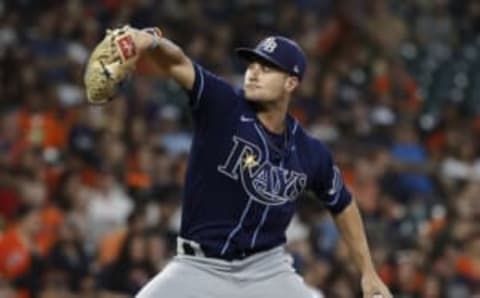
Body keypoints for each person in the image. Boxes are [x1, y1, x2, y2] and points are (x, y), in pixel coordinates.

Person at [122, 27, 392, 298]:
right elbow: (177, 62)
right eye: (253, 64)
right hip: (200, 267)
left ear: (291, 83)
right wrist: (153, 42)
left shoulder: (309, 151)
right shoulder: (223, 106)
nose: (254, 72)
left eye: (267, 68)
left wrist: (368, 271)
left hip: (266, 270)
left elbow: (343, 203)